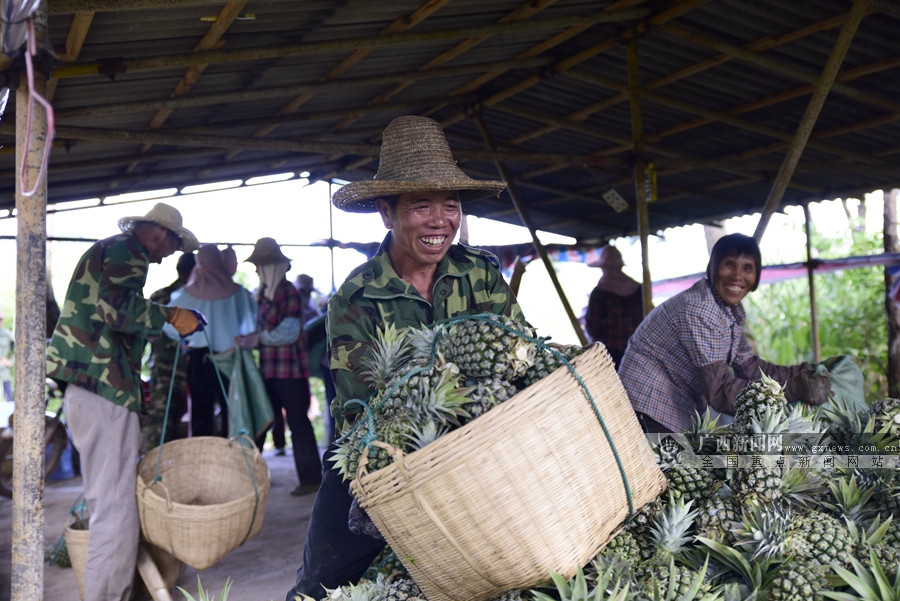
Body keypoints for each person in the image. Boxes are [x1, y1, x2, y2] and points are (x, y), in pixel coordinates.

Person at [285, 115, 525, 600]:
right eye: (421, 206)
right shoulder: (356, 298)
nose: (440, 221)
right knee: (319, 583)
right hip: (377, 455)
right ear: (386, 212)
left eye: (451, 206)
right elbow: (361, 407)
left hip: (485, 445)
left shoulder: (479, 274)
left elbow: (518, 354)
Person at [45, 203, 204, 601]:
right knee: (115, 512)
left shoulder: (110, 251)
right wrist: (171, 316)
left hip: (90, 390)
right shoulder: (127, 251)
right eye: (173, 244)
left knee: (109, 505)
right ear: (159, 233)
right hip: (103, 390)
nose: (170, 255)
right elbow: (116, 308)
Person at [617, 232, 830, 434]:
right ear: (713, 268)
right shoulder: (701, 310)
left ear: (756, 277)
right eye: (729, 265)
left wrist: (801, 373)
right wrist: (791, 390)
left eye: (747, 268)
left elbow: (751, 368)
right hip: (647, 404)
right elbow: (719, 392)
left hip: (669, 405)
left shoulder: (729, 311)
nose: (737, 276)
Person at [236, 237, 323, 495]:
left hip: (290, 372)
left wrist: (257, 339)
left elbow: (289, 331)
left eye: (260, 266)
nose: (256, 271)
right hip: (268, 370)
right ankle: (249, 480)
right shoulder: (262, 295)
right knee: (262, 421)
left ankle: (310, 478)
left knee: (298, 423)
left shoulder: (288, 293)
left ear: (272, 267)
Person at [165, 244, 257, 437]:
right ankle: (232, 458)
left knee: (200, 414)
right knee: (233, 412)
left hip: (199, 360)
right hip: (231, 359)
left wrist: (189, 338)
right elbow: (252, 326)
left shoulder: (185, 295)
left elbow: (169, 327)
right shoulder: (240, 293)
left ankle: (204, 457)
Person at [142, 251, 196, 453]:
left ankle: (153, 461)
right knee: (186, 416)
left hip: (162, 366)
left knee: (160, 418)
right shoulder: (195, 297)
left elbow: (145, 333)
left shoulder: (159, 296)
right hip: (190, 368)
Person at [583, 245, 645, 368]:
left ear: (604, 268)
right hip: (639, 347)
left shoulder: (600, 293)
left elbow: (593, 326)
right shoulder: (639, 289)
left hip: (612, 352)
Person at [0, 307, 12, 404]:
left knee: (8, 400)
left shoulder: (7, 335)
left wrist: (10, 362)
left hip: (4, 373)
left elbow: (18, 349)